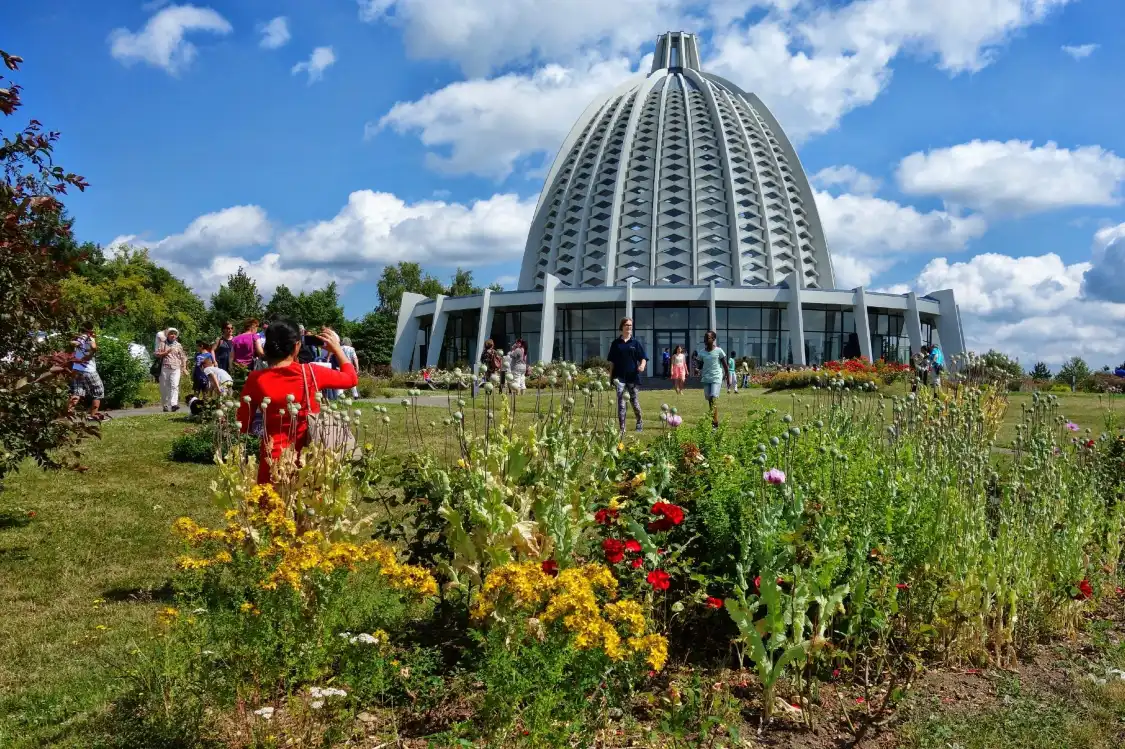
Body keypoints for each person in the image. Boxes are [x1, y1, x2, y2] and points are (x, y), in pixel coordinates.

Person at [237, 319, 358, 485]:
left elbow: (243, 423)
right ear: (297, 346)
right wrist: (337, 349)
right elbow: (351, 379)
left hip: (272, 460)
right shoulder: (311, 373)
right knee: (308, 499)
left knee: (270, 500)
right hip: (309, 458)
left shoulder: (256, 379)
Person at [607, 317, 647, 434]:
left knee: (634, 402)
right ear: (622, 327)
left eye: (630, 325)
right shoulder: (616, 343)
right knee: (621, 403)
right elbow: (612, 363)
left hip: (632, 377)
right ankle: (622, 428)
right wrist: (610, 378)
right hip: (619, 378)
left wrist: (642, 365)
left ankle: (639, 422)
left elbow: (643, 358)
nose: (629, 327)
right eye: (626, 325)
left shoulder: (635, 343)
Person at [69, 322, 106, 421]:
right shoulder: (89, 337)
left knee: (77, 393)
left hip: (76, 369)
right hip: (88, 369)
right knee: (98, 392)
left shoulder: (78, 338)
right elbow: (93, 347)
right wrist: (90, 354)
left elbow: (72, 343)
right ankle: (93, 416)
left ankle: (67, 415)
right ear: (90, 329)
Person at [699, 330, 730, 430]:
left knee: (713, 397)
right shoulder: (702, 352)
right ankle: (713, 419)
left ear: (713, 339)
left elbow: (725, 366)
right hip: (706, 378)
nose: (705, 340)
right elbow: (700, 365)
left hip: (716, 377)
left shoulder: (719, 351)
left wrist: (728, 378)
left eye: (708, 338)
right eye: (705, 338)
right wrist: (696, 368)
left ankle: (715, 423)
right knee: (709, 399)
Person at [154, 327, 189, 412]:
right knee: (164, 387)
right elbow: (156, 354)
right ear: (167, 335)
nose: (173, 335)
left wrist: (184, 368)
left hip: (176, 368)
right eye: (171, 334)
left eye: (174, 334)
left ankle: (174, 404)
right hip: (165, 367)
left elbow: (183, 357)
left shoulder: (178, 345)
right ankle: (165, 404)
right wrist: (165, 353)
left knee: (175, 386)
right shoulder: (162, 343)